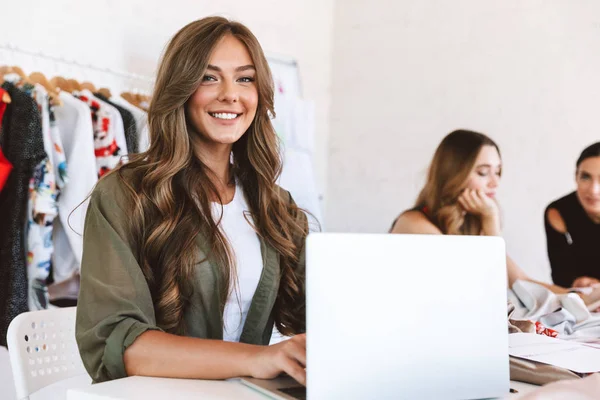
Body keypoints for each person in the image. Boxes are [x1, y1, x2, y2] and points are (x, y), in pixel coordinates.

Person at [76, 17, 309, 385]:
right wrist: (258, 358)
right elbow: (119, 343)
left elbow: (317, 315)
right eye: (209, 77)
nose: (231, 94)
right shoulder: (125, 195)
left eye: (245, 79)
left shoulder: (277, 206)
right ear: (180, 88)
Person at [390, 129, 575, 294]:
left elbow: (521, 281)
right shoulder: (414, 223)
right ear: (452, 174)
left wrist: (582, 296)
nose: (495, 183)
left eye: (498, 171)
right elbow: (483, 290)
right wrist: (491, 224)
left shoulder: (470, 220)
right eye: (483, 173)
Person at [545, 142, 600, 288]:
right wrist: (577, 282)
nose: (593, 190)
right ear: (576, 177)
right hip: (585, 300)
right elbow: (560, 275)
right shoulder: (558, 212)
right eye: (586, 177)